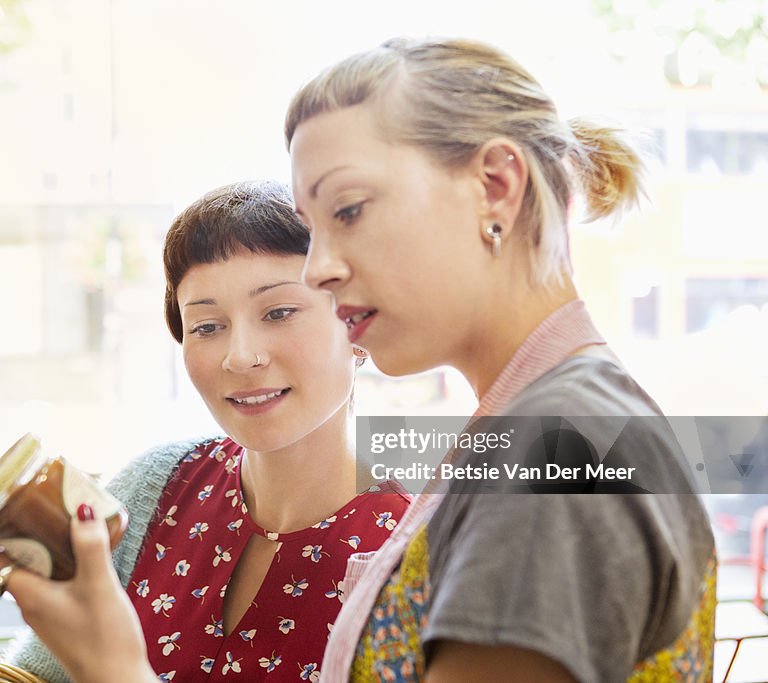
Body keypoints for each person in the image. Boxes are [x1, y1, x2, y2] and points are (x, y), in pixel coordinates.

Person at [284, 37, 716, 682]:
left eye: (348, 210)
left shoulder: (559, 446)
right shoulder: (553, 420)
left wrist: (115, 662)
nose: (317, 269)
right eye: (311, 227)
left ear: (497, 186)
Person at [0, 180, 411, 682]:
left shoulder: (413, 546)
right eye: (207, 326)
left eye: (279, 312)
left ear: (356, 326)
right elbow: (37, 675)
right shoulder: (153, 487)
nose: (241, 356)